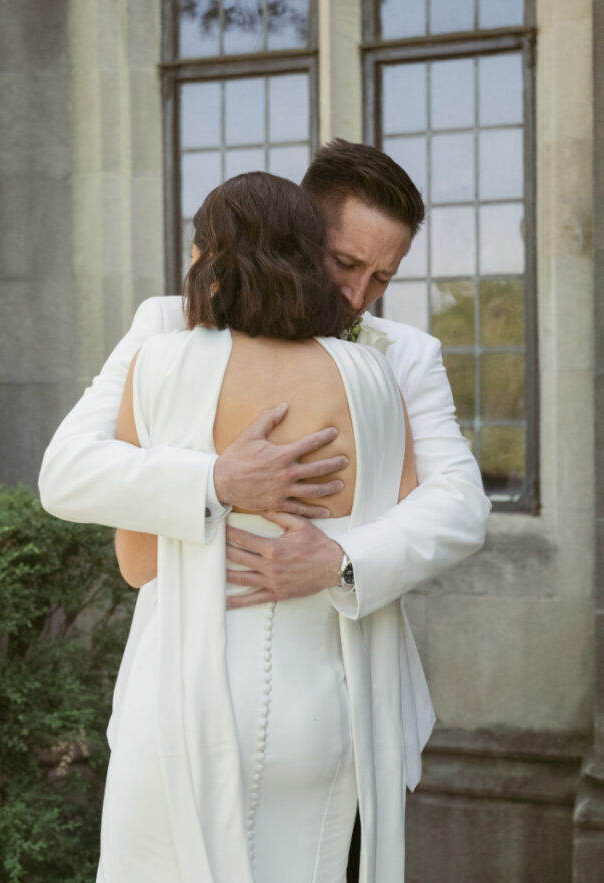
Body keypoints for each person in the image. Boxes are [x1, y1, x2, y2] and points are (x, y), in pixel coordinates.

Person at [95, 171, 419, 883]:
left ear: (211, 255)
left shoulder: (162, 365)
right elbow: (403, 519)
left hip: (177, 706)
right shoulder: (371, 378)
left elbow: (139, 565)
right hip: (318, 705)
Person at [38, 140, 490, 629]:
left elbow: (461, 503)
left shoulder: (406, 354)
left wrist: (341, 561)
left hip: (351, 652)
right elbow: (67, 470)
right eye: (346, 263)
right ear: (301, 234)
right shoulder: (168, 323)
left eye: (383, 277)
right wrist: (217, 481)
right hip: (194, 642)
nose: (359, 295)